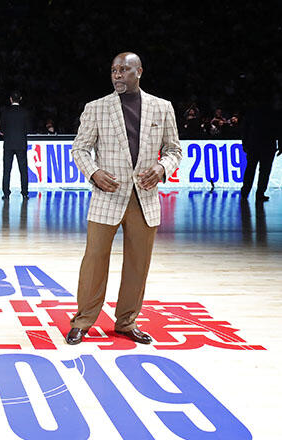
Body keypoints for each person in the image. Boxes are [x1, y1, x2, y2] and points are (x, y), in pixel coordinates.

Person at [66, 52, 182, 345]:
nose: (117, 75)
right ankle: (83, 320)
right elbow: (80, 149)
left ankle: (126, 322)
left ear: (138, 71)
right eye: (114, 70)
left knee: (138, 264)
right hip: (107, 194)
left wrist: (162, 168)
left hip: (144, 197)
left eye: (123, 70)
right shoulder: (96, 108)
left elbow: (174, 150)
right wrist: (94, 172)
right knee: (94, 260)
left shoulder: (162, 107)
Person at [240, 94, 281, 203]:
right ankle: (259, 193)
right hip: (267, 145)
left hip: (254, 144)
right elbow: (279, 130)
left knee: (250, 169)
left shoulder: (252, 112)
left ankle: (245, 192)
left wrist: (245, 143)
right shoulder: (274, 113)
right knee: (264, 171)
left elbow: (245, 129)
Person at [0, 91, 32, 199]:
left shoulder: (5, 112)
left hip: (8, 144)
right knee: (23, 170)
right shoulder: (25, 112)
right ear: (20, 98)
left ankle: (6, 193)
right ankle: (25, 193)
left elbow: (1, 130)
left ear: (10, 99)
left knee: (7, 170)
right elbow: (28, 129)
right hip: (21, 144)